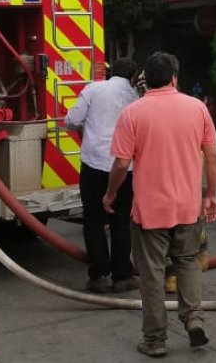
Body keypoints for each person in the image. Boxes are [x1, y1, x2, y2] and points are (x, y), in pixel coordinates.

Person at [104, 51, 216, 358]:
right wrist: (211, 195)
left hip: (149, 211)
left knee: (152, 273)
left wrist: (111, 194)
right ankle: (194, 319)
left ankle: (155, 339)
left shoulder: (133, 113)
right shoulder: (197, 108)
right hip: (188, 206)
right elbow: (212, 155)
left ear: (145, 81)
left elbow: (121, 163)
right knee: (187, 261)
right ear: (174, 77)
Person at [63, 57, 140, 294]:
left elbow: (71, 121)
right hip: (124, 168)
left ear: (111, 72)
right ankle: (122, 275)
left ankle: (98, 276)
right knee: (121, 221)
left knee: (94, 220)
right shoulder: (136, 98)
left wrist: (86, 132)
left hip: (94, 164)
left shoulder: (94, 89)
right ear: (132, 77)